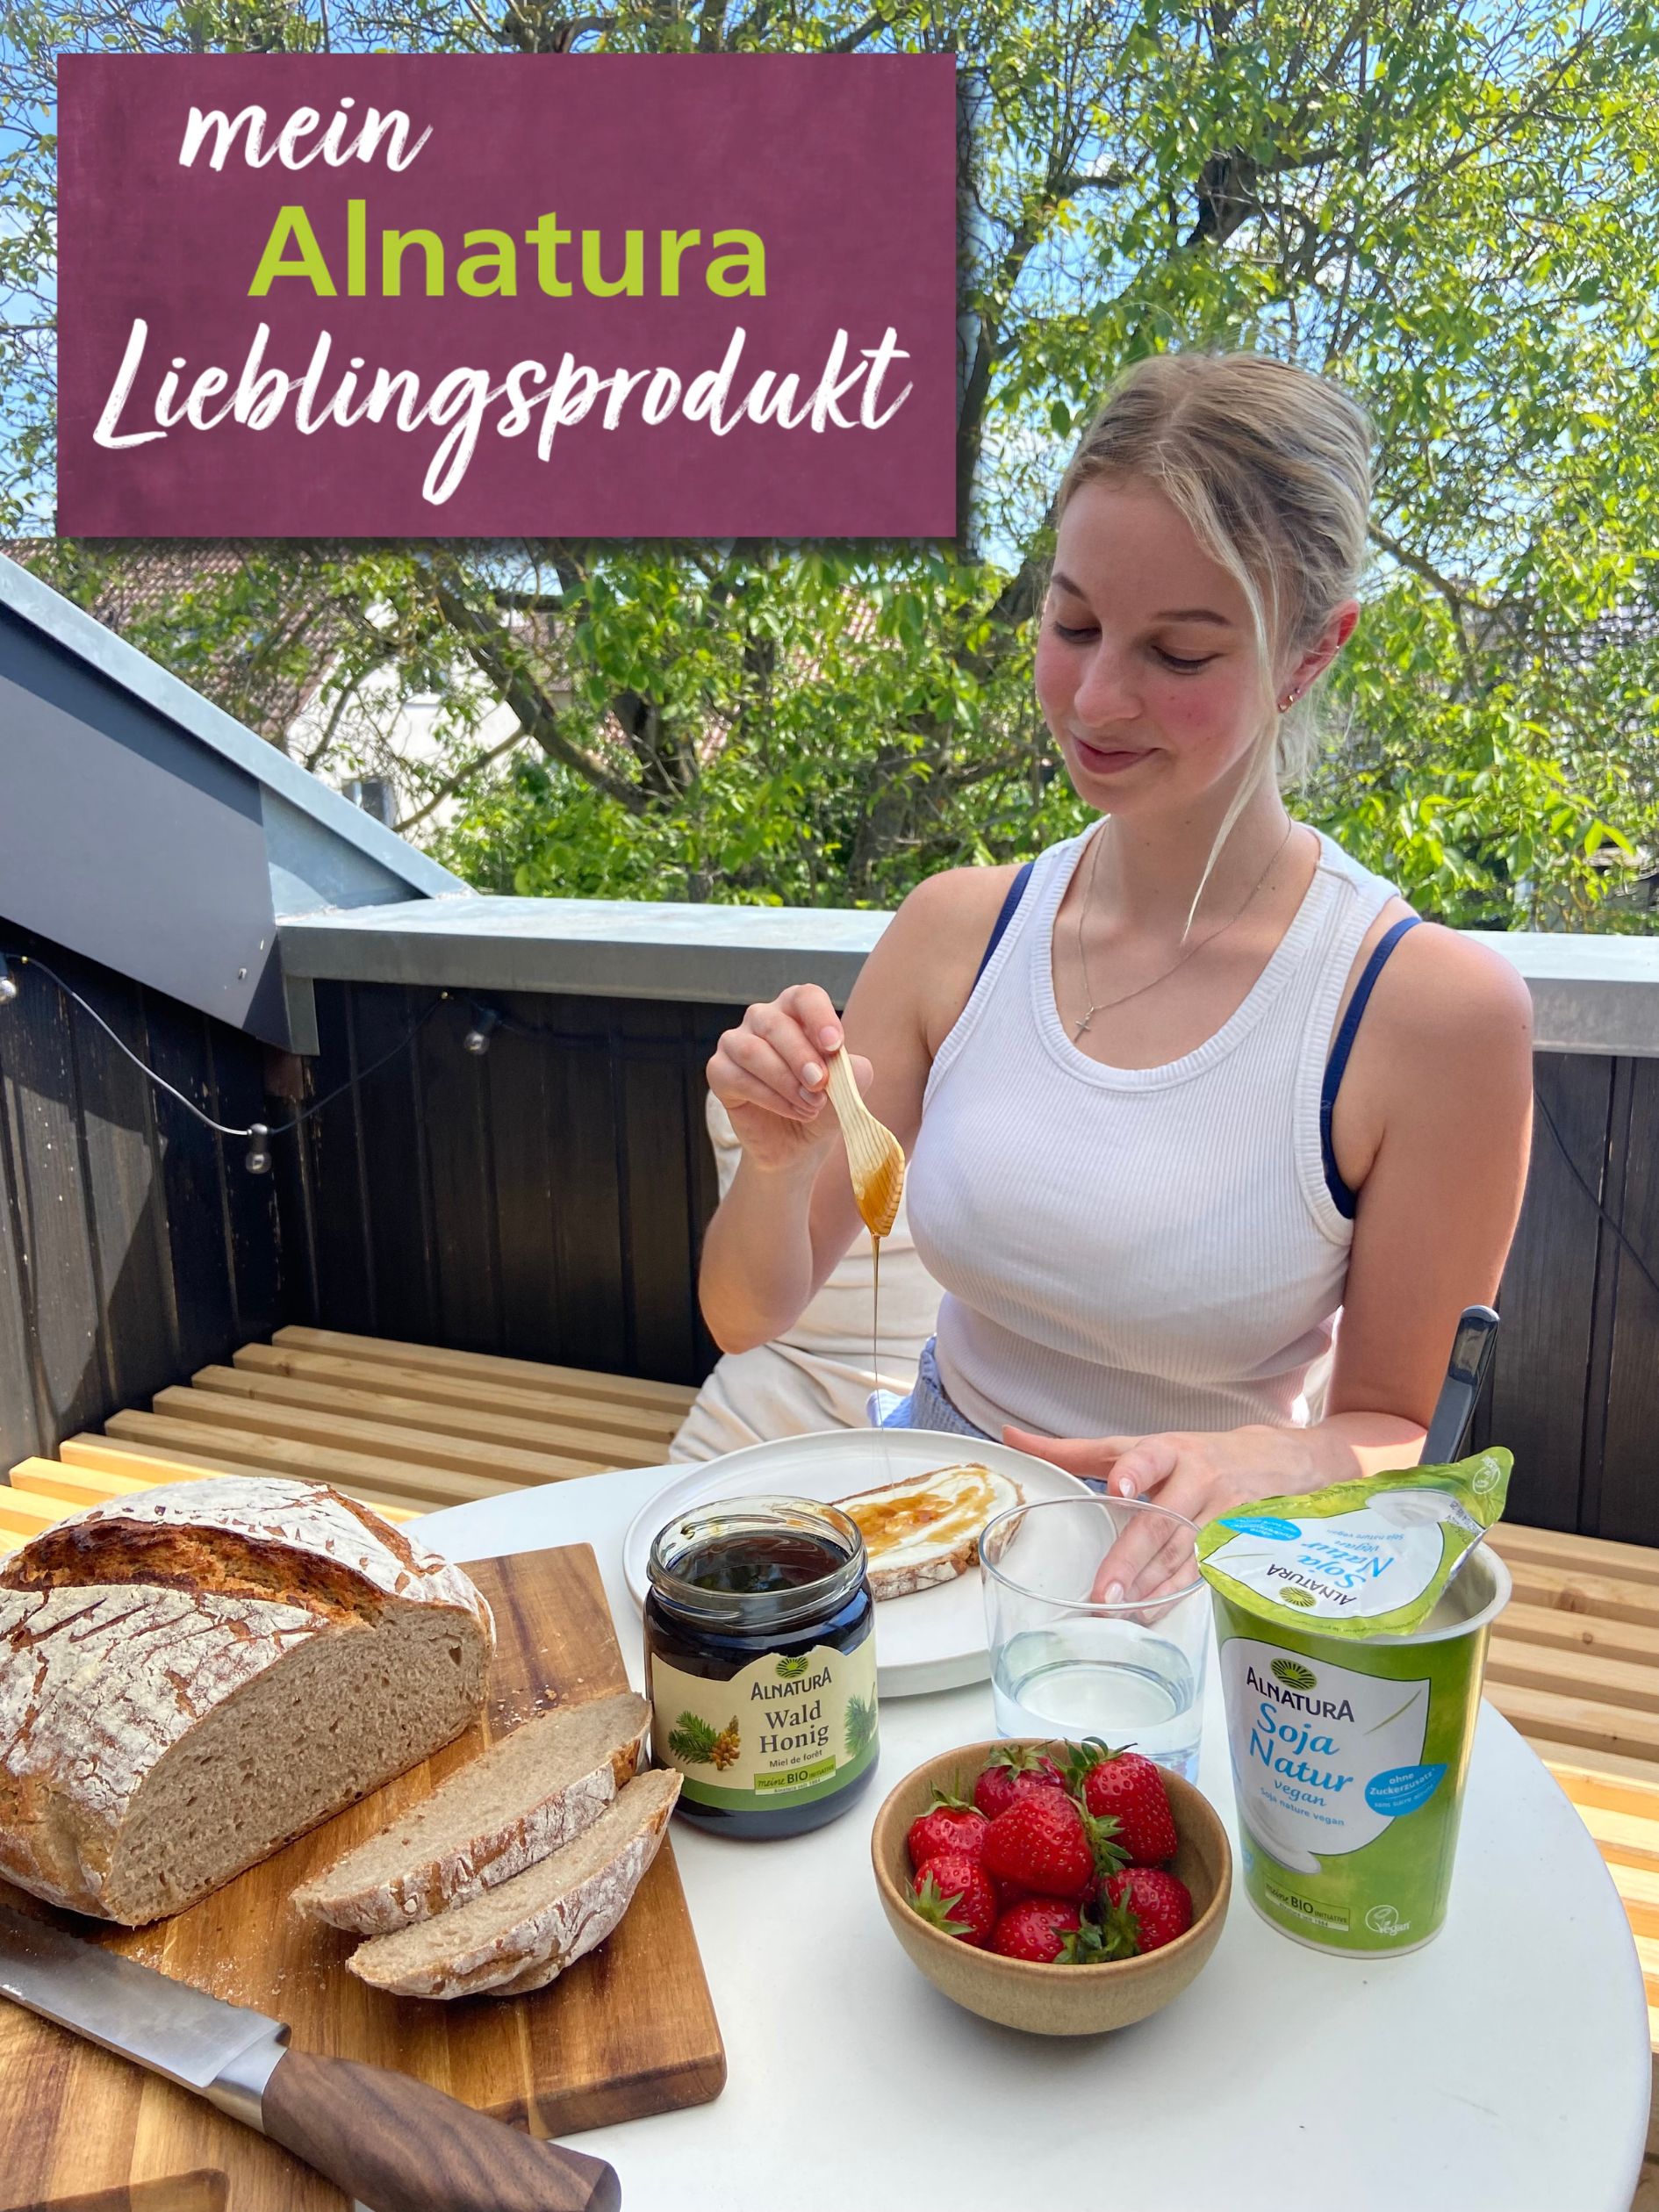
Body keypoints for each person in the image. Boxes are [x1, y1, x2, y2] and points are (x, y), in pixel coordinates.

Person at [696, 347, 1534, 1597]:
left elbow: (1401, 1435)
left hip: (1191, 1577)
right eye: (1072, 620)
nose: (1093, 696)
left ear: (1310, 653)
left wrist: (1274, 1461)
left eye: (1178, 653)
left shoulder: (1421, 1015)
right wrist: (779, 1162)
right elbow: (744, 1313)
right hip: (931, 1525)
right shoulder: (955, 932)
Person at [667, 1089, 940, 1459]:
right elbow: (736, 1326)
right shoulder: (772, 1062)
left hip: (930, 1435)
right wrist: (776, 1167)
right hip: (749, 1419)